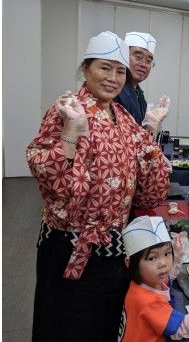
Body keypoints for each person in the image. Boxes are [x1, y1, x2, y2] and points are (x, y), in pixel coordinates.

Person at [27, 31, 170, 341]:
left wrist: (149, 133)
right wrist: (71, 134)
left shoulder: (120, 114)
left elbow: (151, 179)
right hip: (70, 247)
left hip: (113, 249)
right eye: (104, 68)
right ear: (86, 69)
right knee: (66, 327)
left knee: (102, 324)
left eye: (120, 71)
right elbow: (50, 181)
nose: (113, 78)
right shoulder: (67, 109)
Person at [115, 31, 170, 134]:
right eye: (138, 57)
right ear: (123, 56)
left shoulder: (138, 93)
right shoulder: (115, 90)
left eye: (148, 61)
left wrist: (152, 123)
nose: (143, 64)